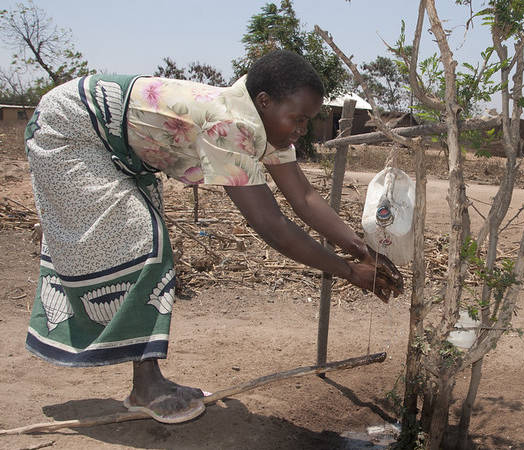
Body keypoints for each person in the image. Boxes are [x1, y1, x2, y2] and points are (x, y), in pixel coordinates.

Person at [23, 50, 403, 424]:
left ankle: (147, 381)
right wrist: (349, 272)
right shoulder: (231, 125)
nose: (302, 130)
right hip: (71, 129)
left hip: (112, 145)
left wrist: (361, 249)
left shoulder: (266, 125)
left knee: (147, 245)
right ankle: (147, 386)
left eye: (308, 121)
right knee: (144, 246)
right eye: (298, 119)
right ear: (264, 102)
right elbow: (272, 226)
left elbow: (303, 197)